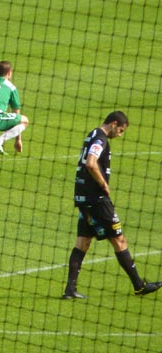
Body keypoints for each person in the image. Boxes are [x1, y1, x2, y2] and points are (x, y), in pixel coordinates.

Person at [64, 111, 161, 299]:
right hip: (97, 200)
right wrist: (103, 184)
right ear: (114, 124)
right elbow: (91, 164)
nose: (120, 134)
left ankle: (70, 289)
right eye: (121, 130)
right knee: (119, 240)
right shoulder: (100, 139)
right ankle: (139, 286)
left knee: (83, 242)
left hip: (83, 198)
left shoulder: (91, 134)